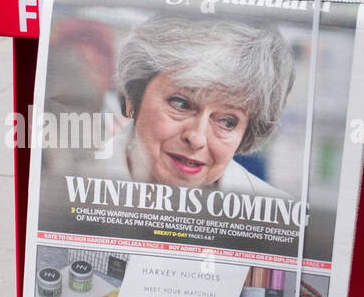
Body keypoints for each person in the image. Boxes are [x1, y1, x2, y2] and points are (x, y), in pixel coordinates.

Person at [95, 16, 296, 197]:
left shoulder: (274, 215)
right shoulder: (74, 179)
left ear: (245, 134)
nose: (197, 139)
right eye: (181, 104)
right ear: (133, 98)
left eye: (227, 121)